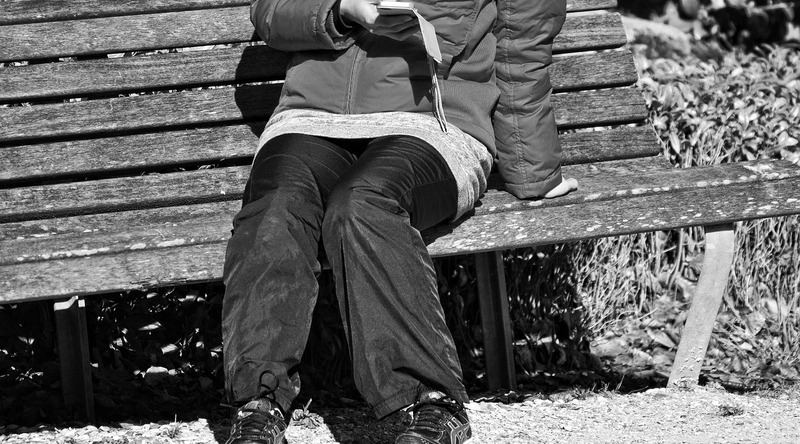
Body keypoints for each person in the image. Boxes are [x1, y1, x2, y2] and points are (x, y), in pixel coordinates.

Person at [222, 0, 577, 442]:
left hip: (434, 125)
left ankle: (431, 403)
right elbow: (271, 10)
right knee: (275, 207)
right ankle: (257, 407)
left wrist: (533, 173)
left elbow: (519, 49)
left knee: (363, 204)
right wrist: (341, 10)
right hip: (311, 119)